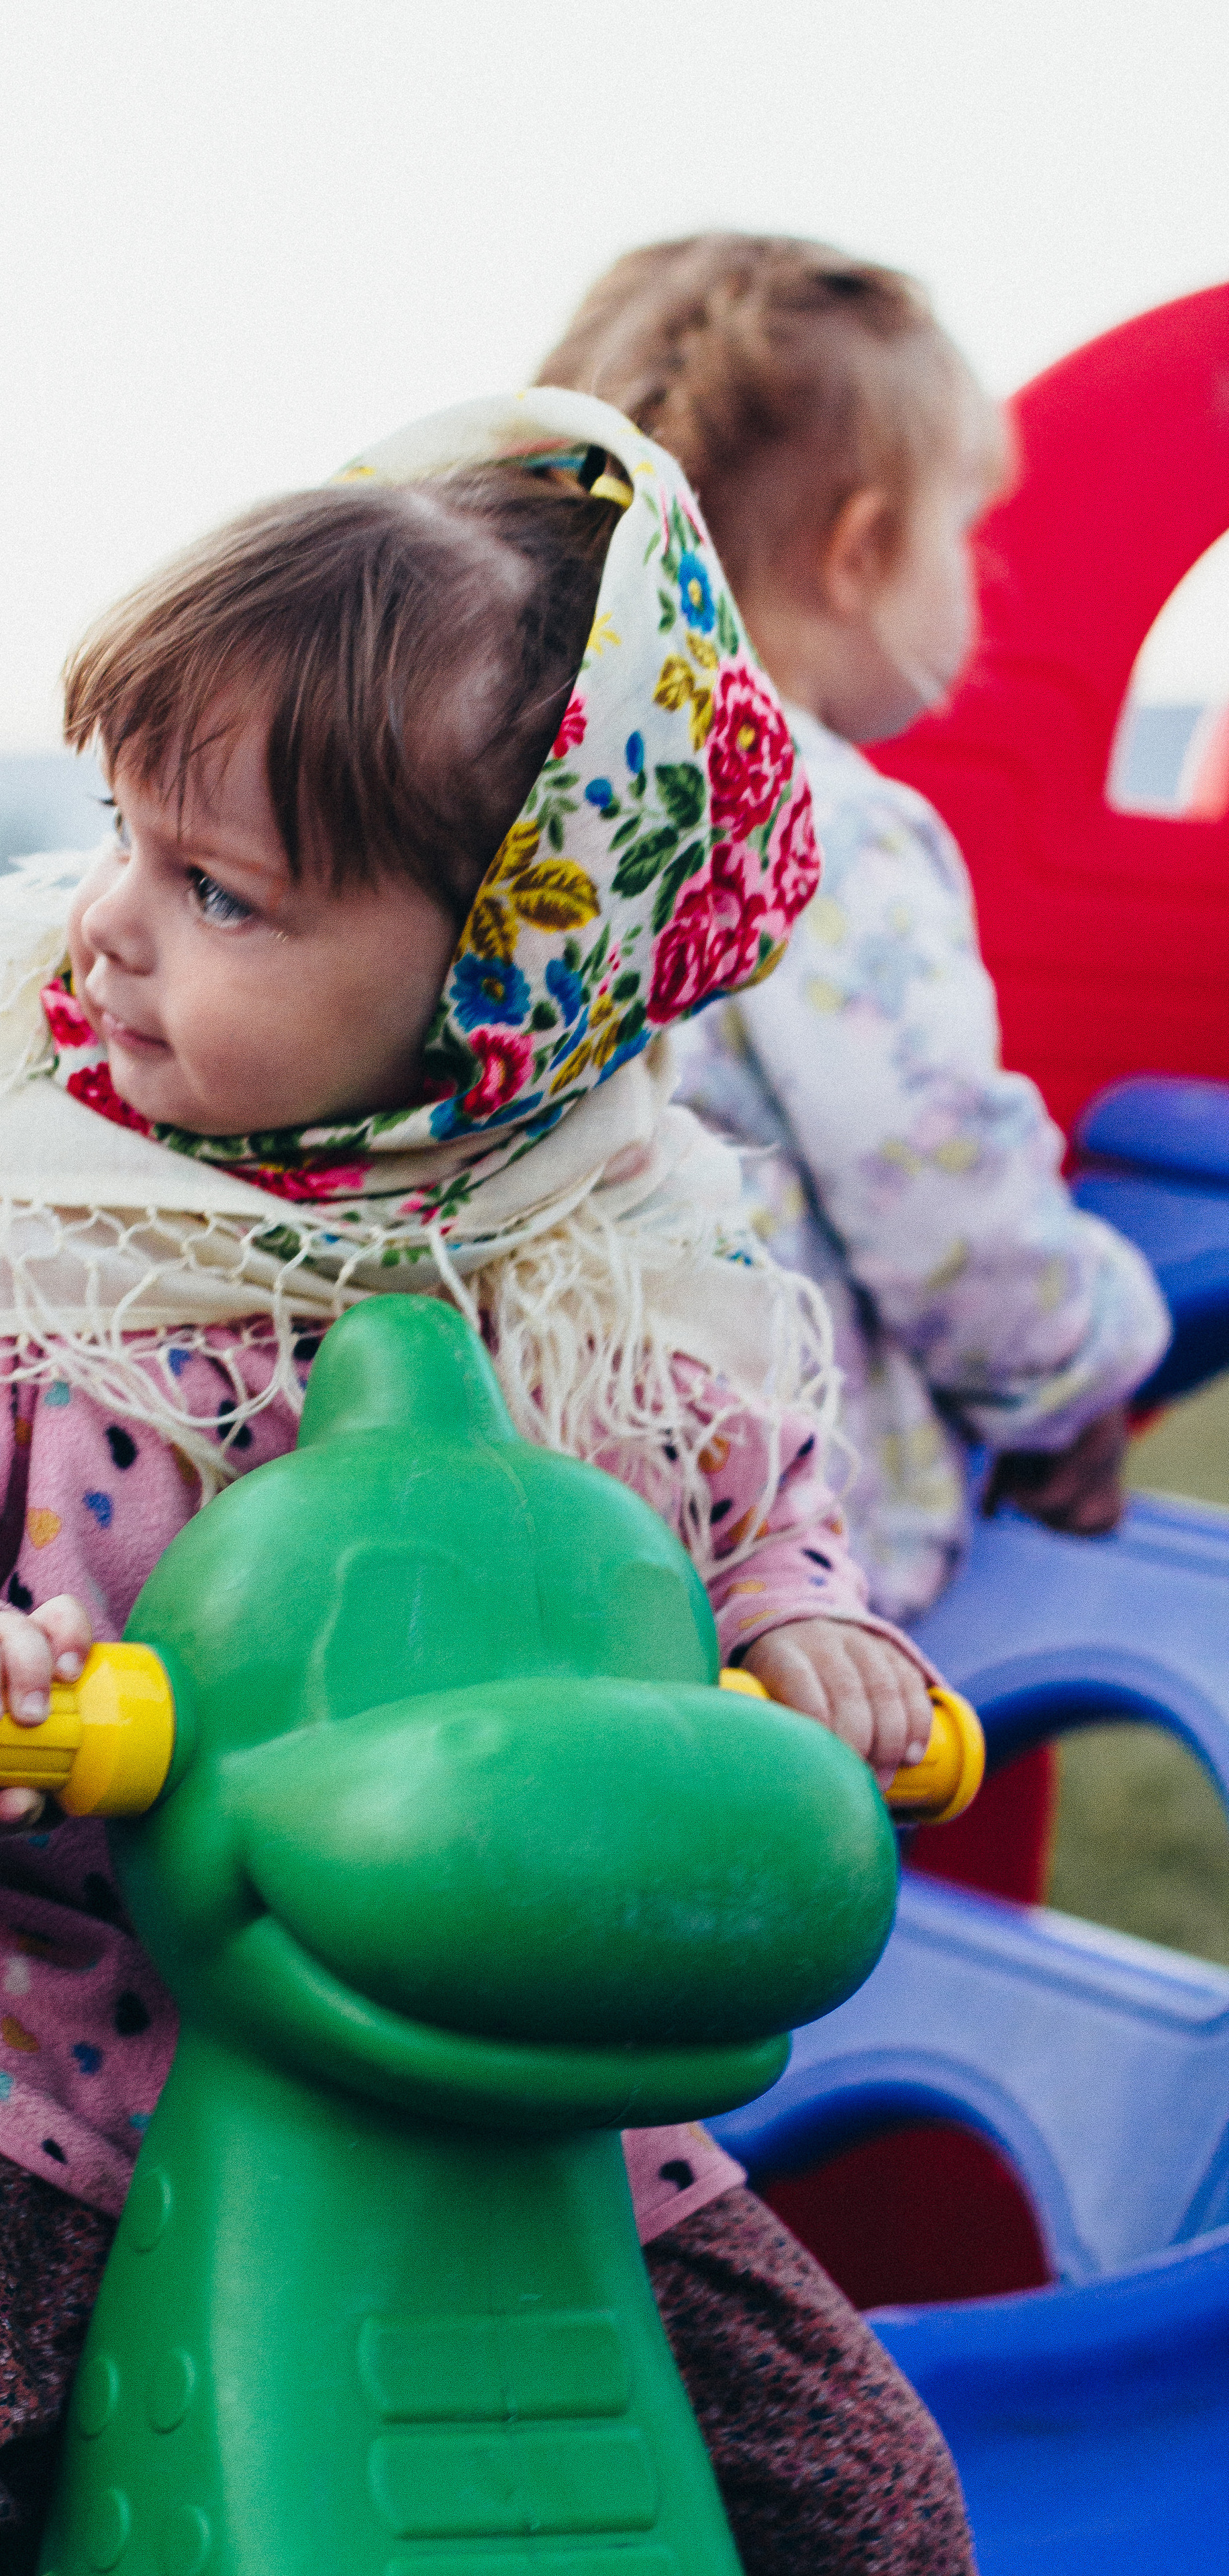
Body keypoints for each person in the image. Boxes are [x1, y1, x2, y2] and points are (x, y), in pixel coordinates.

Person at [0, 388, 971, 2576]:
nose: (104, 927)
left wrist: (814, 1633)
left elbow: (762, 1510)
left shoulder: (614, 1273)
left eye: (218, 892)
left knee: (866, 2498)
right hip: (40, 2066)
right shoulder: (47, 1256)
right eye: (123, 834)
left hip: (527, 2091)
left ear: (506, 980)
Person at [539, 238, 1171, 1622]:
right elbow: (930, 1168)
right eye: (959, 531)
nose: (975, 581)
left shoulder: (510, 785)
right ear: (860, 550)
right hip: (755, 1535)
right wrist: (1083, 1371)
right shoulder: (815, 817)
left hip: (512, 1484)